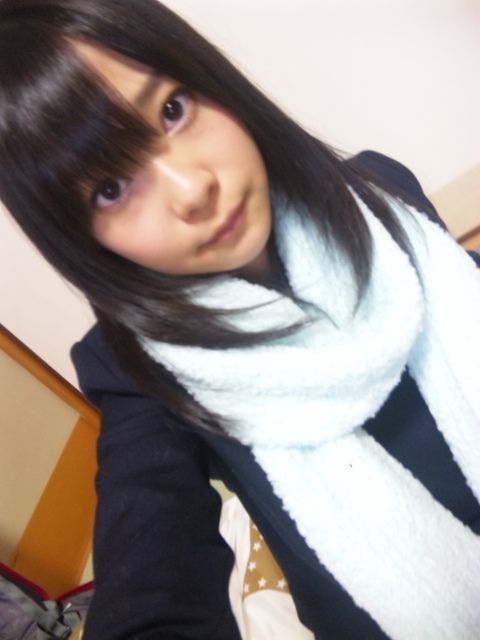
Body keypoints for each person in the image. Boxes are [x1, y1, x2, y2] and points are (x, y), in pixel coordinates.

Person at [1, 1, 479, 638]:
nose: (191, 188)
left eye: (173, 109)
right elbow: (152, 579)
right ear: (76, 236)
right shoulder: (137, 375)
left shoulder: (379, 190)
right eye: (109, 188)